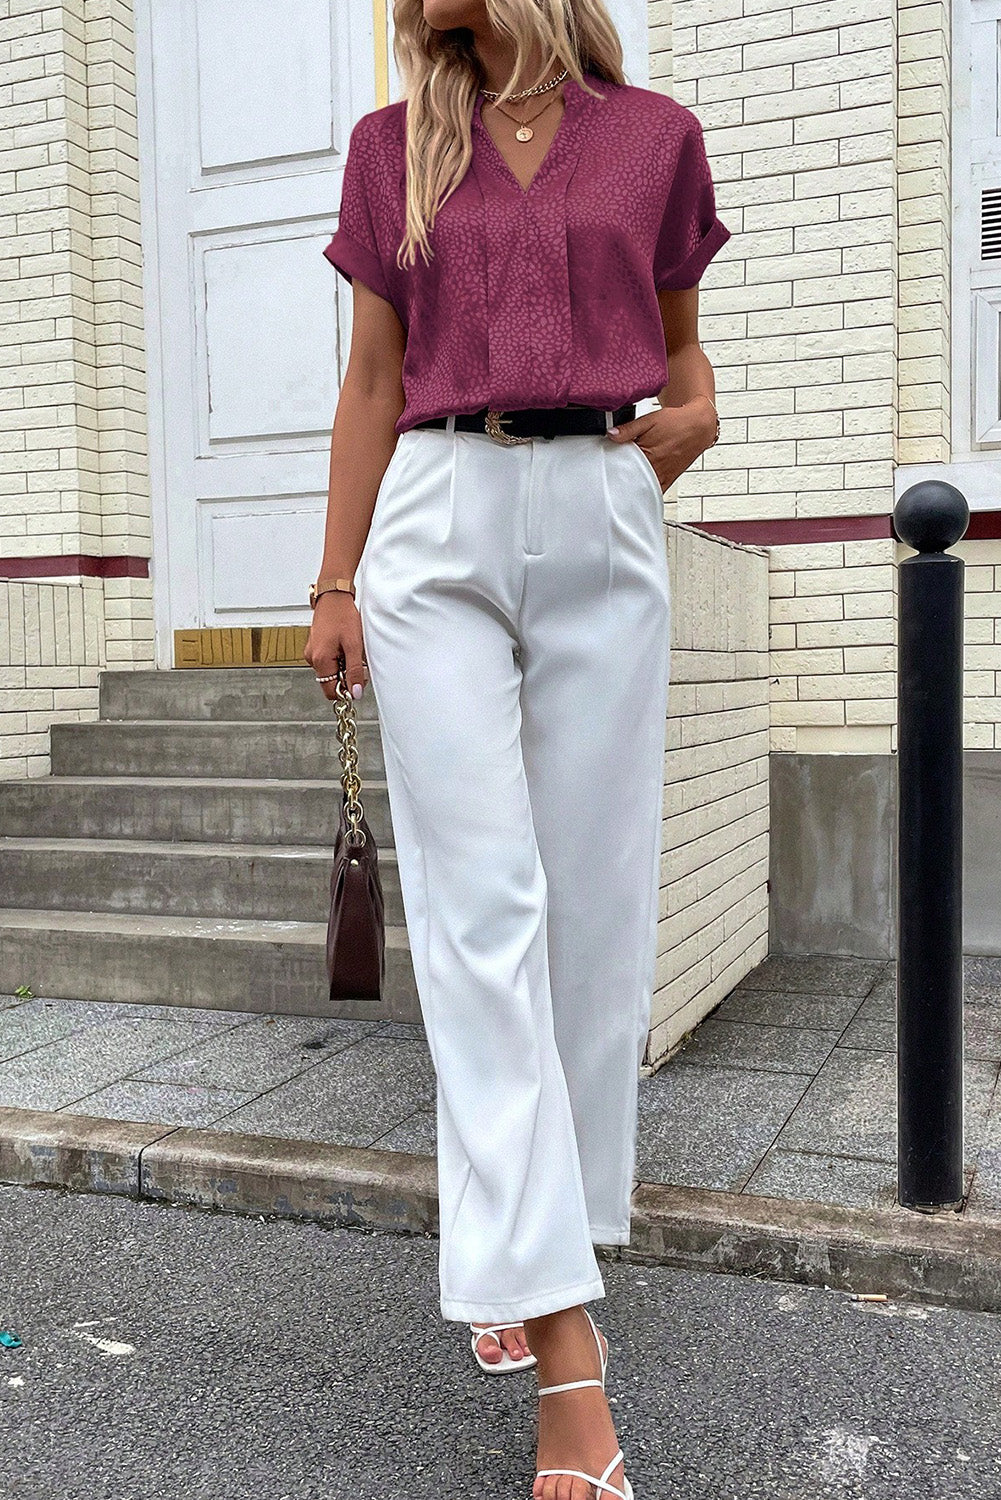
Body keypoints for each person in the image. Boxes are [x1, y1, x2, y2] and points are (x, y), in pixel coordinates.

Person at [306, 3, 730, 1495]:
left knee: (591, 930)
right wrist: (334, 580)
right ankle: (571, 1371)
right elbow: (369, 380)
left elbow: (686, 370)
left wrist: (694, 418)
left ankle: (520, 1246)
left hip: (600, 511)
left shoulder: (652, 139)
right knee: (484, 918)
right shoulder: (389, 146)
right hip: (434, 518)